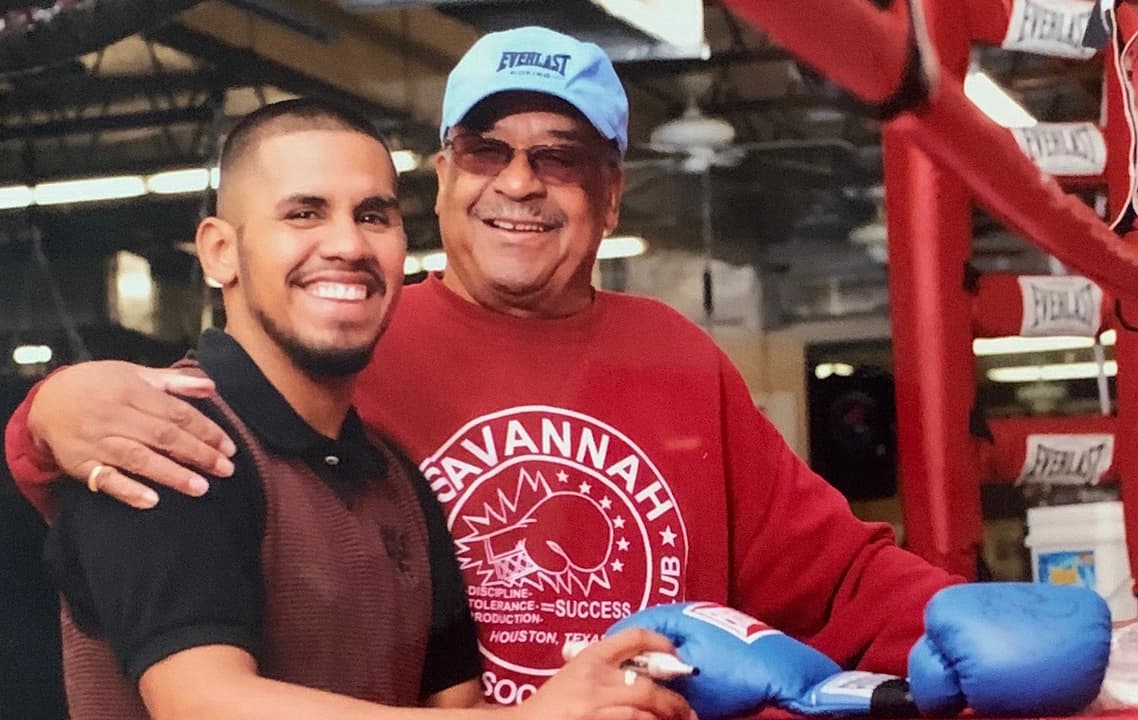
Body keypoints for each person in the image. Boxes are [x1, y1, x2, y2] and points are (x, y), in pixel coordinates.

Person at [6, 26, 962, 706]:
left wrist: (973, 619)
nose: (517, 182)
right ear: (445, 178)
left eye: (561, 157)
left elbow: (833, 575)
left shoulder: (667, 364)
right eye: (485, 149)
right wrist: (47, 411)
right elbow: (166, 487)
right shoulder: (330, 359)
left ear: (612, 194)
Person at [39, 97, 692, 720]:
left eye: (374, 216)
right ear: (220, 251)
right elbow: (203, 705)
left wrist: (604, 698)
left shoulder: (396, 479)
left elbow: (457, 709)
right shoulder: (159, 435)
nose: (348, 245)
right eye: (304, 213)